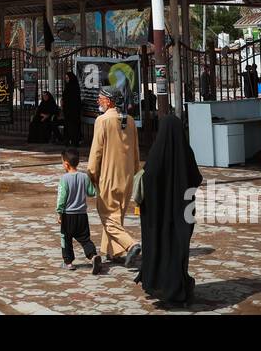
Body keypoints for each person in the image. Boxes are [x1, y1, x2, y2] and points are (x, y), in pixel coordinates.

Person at [136, 113, 203, 307]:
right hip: (183, 213)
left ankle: (160, 284)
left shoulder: (156, 155)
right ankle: (178, 288)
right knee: (178, 250)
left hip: (158, 218)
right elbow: (196, 178)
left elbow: (147, 181)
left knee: (160, 248)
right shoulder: (186, 153)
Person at [87, 85, 142, 268]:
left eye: (100, 98)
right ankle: (114, 252)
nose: (98, 101)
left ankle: (130, 244)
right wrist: (133, 172)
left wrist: (92, 173)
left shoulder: (102, 121)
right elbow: (135, 152)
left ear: (109, 101)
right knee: (116, 215)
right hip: (126, 176)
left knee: (108, 217)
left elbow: (96, 152)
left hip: (108, 177)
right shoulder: (131, 120)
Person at [56, 148, 102, 274]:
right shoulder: (84, 177)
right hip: (82, 215)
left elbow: (61, 198)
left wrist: (59, 212)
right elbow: (92, 193)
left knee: (66, 238)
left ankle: (68, 262)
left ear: (66, 164)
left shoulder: (64, 179)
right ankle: (93, 256)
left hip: (68, 215)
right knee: (85, 239)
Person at [61, 71, 83, 146]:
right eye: (65, 78)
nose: (66, 79)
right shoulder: (67, 86)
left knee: (73, 126)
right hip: (67, 110)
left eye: (67, 78)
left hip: (73, 111)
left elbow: (75, 100)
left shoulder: (74, 87)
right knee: (68, 126)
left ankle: (74, 141)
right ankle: (68, 140)